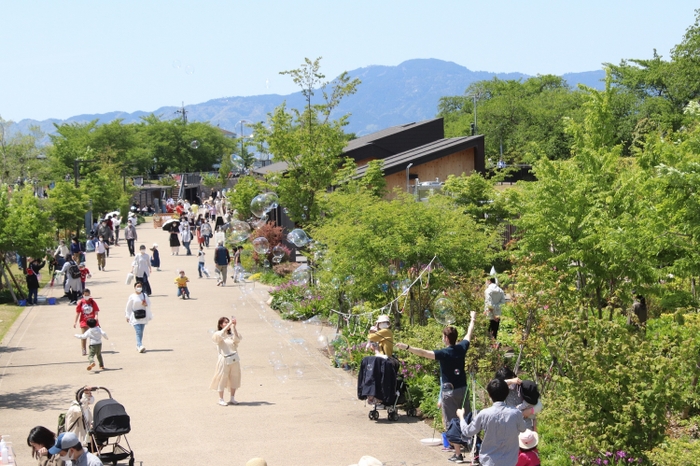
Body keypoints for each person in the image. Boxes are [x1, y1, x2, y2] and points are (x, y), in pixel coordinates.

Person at [395, 311, 477, 463]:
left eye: (443, 336)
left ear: (446, 338)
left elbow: (424, 353)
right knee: (467, 417)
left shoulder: (444, 353)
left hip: (449, 392)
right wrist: (473, 318)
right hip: (463, 390)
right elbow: (469, 333)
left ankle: (458, 454)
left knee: (451, 421)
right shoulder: (462, 348)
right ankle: (474, 450)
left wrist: (407, 347)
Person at [457, 378, 526, 466]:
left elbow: (467, 432)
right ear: (507, 393)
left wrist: (461, 417)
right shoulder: (516, 413)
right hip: (510, 461)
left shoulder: (485, 414)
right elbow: (523, 429)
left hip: (489, 461)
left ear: (489, 395)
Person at [210, 316, 242, 406]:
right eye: (225, 322)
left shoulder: (231, 335)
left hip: (234, 358)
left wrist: (234, 327)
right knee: (222, 378)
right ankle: (221, 398)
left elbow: (237, 340)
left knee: (234, 377)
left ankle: (232, 398)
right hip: (224, 359)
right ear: (220, 324)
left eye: (227, 322)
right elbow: (218, 337)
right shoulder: (218, 334)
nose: (227, 323)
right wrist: (229, 324)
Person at [125, 281, 153, 353]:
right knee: (138, 331)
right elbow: (128, 307)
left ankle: (138, 345)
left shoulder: (144, 295)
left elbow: (149, 304)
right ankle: (140, 345)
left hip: (143, 315)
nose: (139, 288)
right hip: (135, 316)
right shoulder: (132, 296)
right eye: (138, 286)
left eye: (140, 286)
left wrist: (145, 304)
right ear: (135, 287)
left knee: (141, 331)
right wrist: (127, 316)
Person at [74, 289, 100, 356]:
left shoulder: (92, 302)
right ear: (83, 295)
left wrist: (96, 317)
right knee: (84, 336)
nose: (86, 296)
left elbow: (96, 311)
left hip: (92, 322)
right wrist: (75, 322)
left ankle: (93, 349)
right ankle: (83, 349)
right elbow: (78, 313)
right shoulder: (81, 302)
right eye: (85, 295)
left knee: (93, 336)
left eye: (87, 295)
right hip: (84, 322)